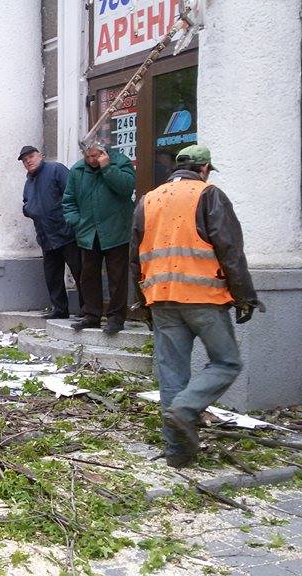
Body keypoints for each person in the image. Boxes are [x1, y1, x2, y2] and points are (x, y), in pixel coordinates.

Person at [130, 144, 263, 468]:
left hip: (161, 297)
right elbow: (230, 250)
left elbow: (134, 257)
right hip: (203, 299)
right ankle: (187, 408)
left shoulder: (148, 200)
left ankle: (178, 454)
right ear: (203, 169)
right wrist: (244, 296)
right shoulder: (209, 194)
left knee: (172, 375)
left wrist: (143, 304)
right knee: (227, 362)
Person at [62, 142, 137, 334]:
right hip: (88, 231)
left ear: (104, 152)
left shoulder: (120, 163)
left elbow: (126, 188)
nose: (91, 160)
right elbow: (69, 200)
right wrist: (75, 221)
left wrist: (107, 168)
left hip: (116, 229)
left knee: (117, 276)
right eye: (88, 156)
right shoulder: (78, 170)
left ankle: (116, 318)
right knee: (88, 276)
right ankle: (91, 316)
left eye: (95, 156)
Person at [19, 145, 82, 319]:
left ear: (40, 155)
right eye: (24, 160)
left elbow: (73, 194)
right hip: (46, 236)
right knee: (53, 276)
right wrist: (29, 209)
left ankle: (88, 309)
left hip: (67, 233)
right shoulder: (28, 182)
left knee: (80, 272)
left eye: (31, 156)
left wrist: (72, 222)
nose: (28, 161)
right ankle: (60, 310)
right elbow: (26, 203)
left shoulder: (56, 170)